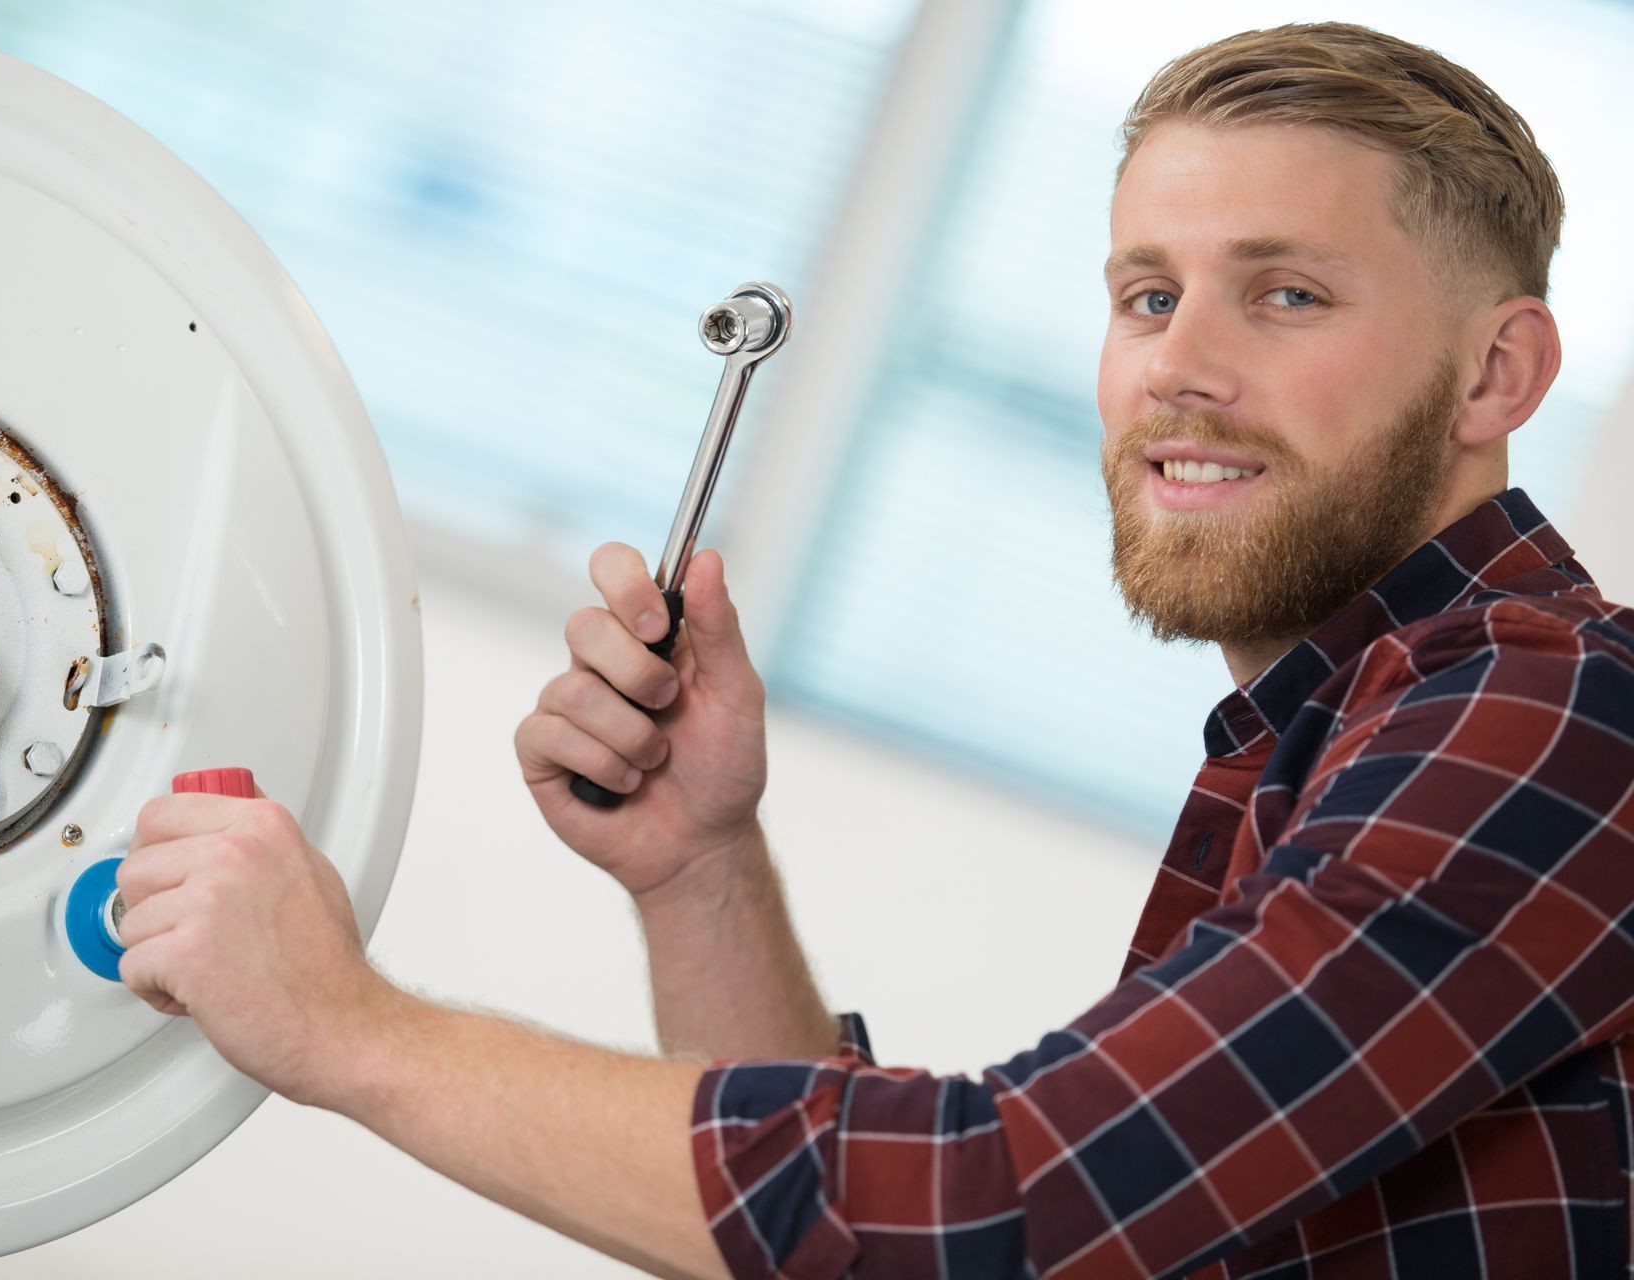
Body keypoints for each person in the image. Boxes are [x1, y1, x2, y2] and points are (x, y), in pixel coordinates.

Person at [113, 22, 1634, 1279]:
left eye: (1285, 293)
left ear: (1497, 373)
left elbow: (990, 1212)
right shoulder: (1329, 740)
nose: (1177, 363)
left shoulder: (1561, 714)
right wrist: (700, 867)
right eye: (1147, 295)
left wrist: (348, 1030)